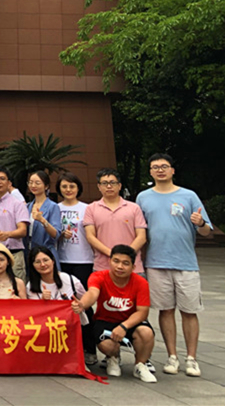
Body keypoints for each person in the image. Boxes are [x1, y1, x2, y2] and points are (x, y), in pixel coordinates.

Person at [136, 153, 213, 378]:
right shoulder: (143, 198)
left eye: (164, 166)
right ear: (150, 172)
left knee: (189, 311)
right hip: (156, 263)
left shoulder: (188, 196)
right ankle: (172, 356)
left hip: (185, 263)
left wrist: (201, 223)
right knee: (165, 310)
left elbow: (206, 231)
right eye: (155, 167)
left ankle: (191, 358)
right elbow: (140, 229)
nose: (160, 170)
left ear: (172, 170)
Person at [71, 244, 157, 383]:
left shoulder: (141, 282)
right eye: (116, 261)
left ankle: (140, 364)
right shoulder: (98, 276)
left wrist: (124, 326)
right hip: (105, 321)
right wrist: (82, 304)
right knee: (107, 345)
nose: (120, 266)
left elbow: (142, 312)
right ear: (109, 261)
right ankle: (113, 357)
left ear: (133, 267)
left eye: (125, 263)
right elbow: (92, 293)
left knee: (146, 333)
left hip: (130, 321)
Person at [83, 168, 147, 274]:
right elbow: (90, 237)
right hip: (103, 267)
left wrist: (126, 255)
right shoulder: (91, 208)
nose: (109, 186)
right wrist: (113, 254)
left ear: (119, 186)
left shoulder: (134, 208)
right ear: (99, 186)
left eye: (112, 183)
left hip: (133, 267)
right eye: (104, 183)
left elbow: (141, 237)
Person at [0, 165, 29, 280]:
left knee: (16, 288)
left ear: (9, 183)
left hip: (12, 254)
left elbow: (23, 230)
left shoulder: (17, 204)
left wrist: (8, 234)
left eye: (2, 179)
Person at [57, 172, 94, 286]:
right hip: (62, 259)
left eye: (72, 186)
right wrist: (61, 235)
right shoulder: (56, 208)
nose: (68, 190)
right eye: (64, 186)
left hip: (84, 259)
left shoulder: (87, 208)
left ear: (78, 188)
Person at [26, 170, 62, 268]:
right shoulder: (27, 206)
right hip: (30, 253)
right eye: (30, 182)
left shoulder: (52, 206)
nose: (33, 185)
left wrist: (42, 220)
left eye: (37, 183)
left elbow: (56, 234)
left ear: (46, 186)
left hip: (46, 253)